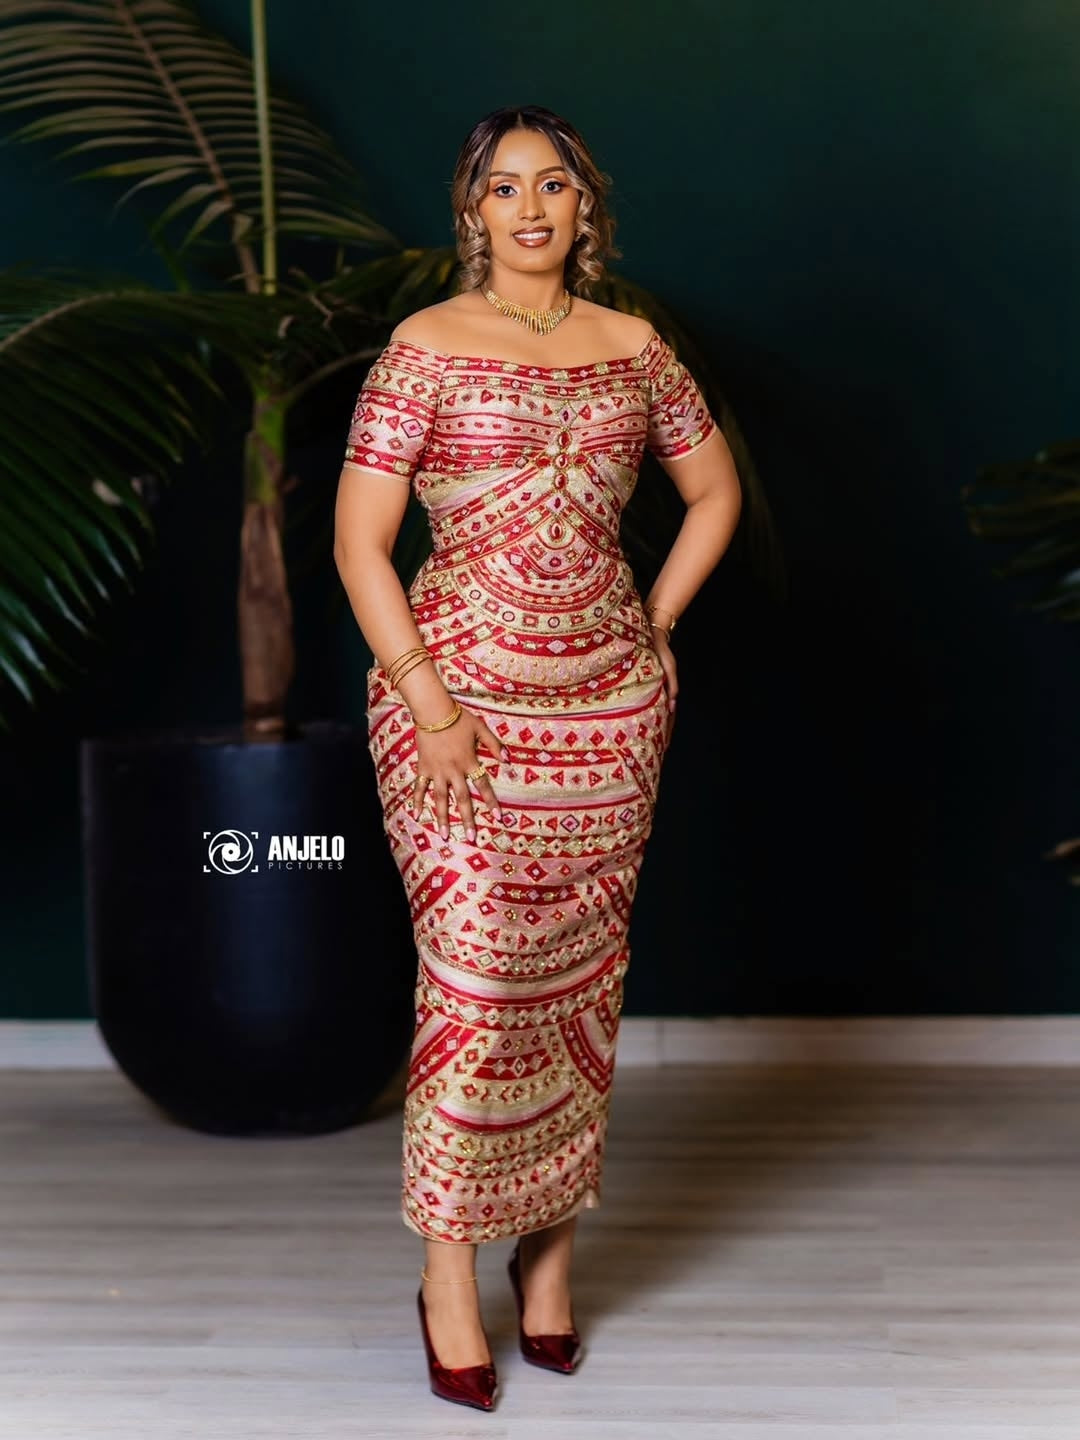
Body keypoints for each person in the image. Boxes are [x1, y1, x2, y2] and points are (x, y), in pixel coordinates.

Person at [333, 104, 742, 1411]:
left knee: (575, 990)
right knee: (479, 978)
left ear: (585, 208)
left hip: (607, 712)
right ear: (473, 210)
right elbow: (359, 544)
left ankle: (551, 1259)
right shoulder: (421, 347)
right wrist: (427, 697)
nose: (529, 207)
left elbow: (715, 492)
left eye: (552, 184)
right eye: (503, 186)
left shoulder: (636, 348)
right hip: (455, 701)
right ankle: (450, 1271)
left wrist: (657, 624)